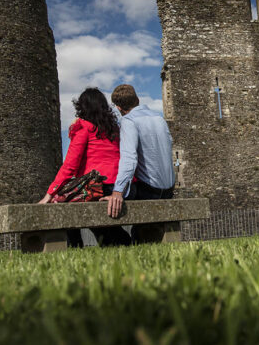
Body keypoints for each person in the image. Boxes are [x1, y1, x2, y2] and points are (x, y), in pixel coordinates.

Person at [39, 87, 129, 247]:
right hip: (118, 186)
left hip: (97, 186)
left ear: (82, 107)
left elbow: (69, 166)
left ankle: (75, 246)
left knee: (60, 203)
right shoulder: (114, 129)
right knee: (103, 227)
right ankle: (117, 242)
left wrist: (50, 193)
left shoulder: (84, 128)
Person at [106, 84, 175, 227]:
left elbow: (129, 158)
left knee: (140, 237)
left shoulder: (128, 121)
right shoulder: (159, 118)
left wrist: (118, 191)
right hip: (169, 188)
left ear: (118, 108)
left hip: (149, 189)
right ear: (137, 99)